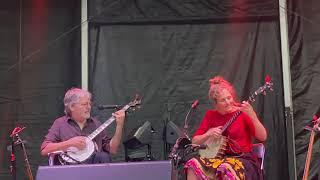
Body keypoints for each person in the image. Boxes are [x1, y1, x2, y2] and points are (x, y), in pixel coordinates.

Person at [185, 76, 267, 180]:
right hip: (218, 159)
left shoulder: (242, 112)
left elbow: (263, 136)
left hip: (243, 160)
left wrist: (252, 115)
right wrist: (208, 134)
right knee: (192, 164)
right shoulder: (210, 115)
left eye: (229, 97)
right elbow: (195, 141)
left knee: (225, 168)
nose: (228, 102)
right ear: (216, 103)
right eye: (223, 100)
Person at [40, 88, 125, 164]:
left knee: (103, 157)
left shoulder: (96, 124)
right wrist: (69, 143)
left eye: (89, 104)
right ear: (72, 107)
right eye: (84, 104)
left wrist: (119, 125)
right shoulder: (60, 123)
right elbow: (45, 149)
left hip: (93, 170)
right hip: (69, 170)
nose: (89, 107)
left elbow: (112, 149)